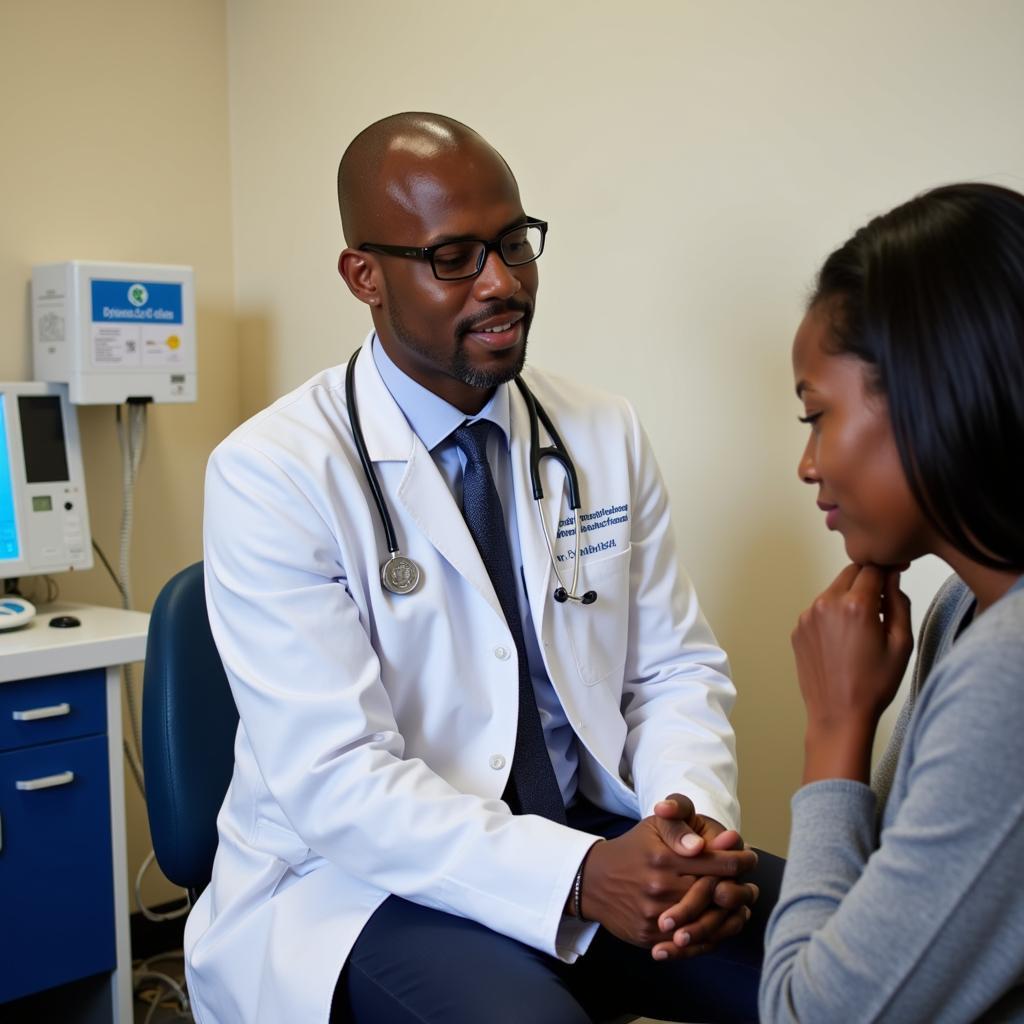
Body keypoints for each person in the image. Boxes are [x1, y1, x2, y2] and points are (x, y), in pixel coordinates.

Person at [192, 111, 779, 1024]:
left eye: (513, 244)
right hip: (368, 888)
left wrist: (685, 832)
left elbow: (671, 670)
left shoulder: (599, 431)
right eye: (454, 257)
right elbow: (339, 782)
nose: (502, 282)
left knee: (856, 957)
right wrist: (582, 877)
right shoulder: (270, 474)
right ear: (364, 276)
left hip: (597, 834)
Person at [760, 183, 1024, 1022]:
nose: (807, 466)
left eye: (817, 416)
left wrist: (835, 729)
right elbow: (892, 902)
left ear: (924, 395)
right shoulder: (961, 607)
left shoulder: (1010, 673)